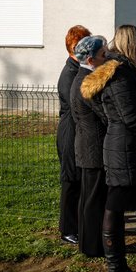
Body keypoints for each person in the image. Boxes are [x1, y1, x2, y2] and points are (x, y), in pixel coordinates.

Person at [81, 25, 136, 272]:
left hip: (123, 145)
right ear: (130, 43)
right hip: (123, 148)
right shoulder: (120, 73)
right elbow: (130, 116)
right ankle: (116, 270)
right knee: (114, 207)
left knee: (115, 207)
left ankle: (118, 268)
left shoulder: (122, 70)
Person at [70, 34, 109, 257]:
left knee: (89, 198)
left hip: (87, 145)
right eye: (103, 55)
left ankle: (88, 244)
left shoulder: (82, 77)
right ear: (91, 59)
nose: (107, 58)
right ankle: (93, 247)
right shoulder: (87, 82)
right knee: (94, 199)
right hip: (93, 148)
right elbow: (103, 115)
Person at [56, 24, 91, 245]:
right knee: (71, 180)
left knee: (80, 180)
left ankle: (80, 224)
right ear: (74, 47)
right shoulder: (70, 73)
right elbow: (77, 104)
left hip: (80, 130)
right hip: (70, 131)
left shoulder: (79, 69)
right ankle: (67, 229)